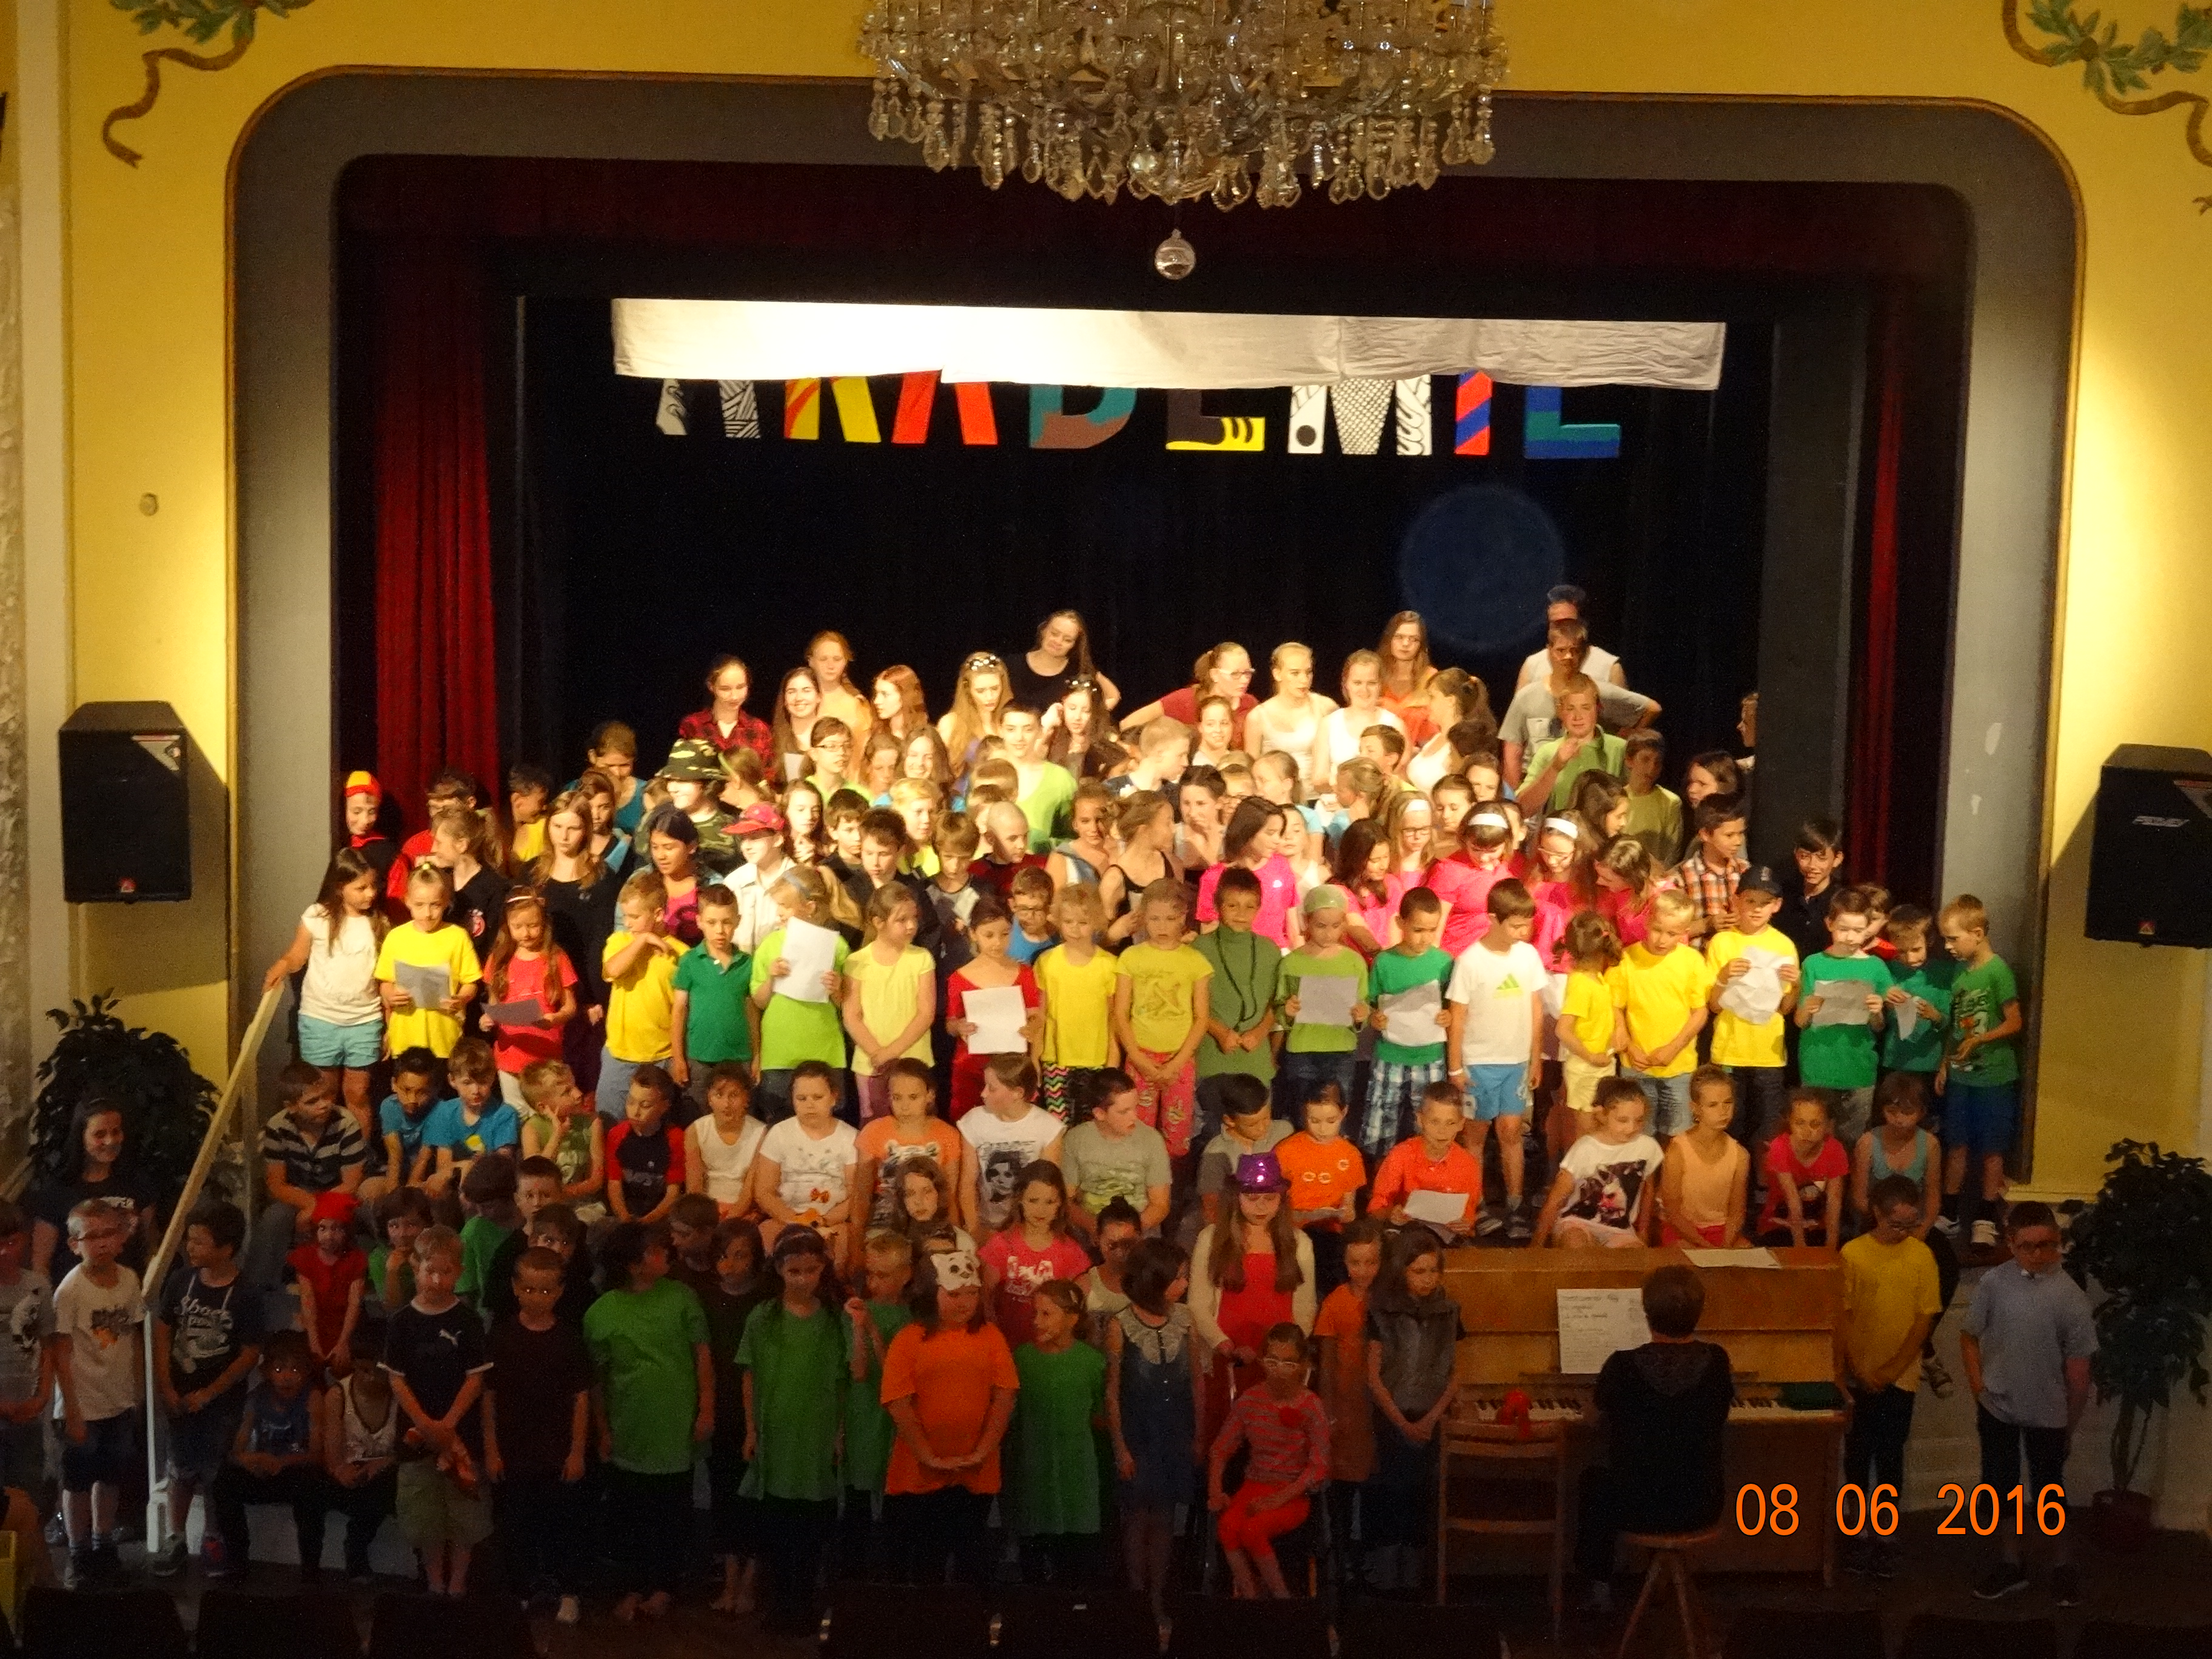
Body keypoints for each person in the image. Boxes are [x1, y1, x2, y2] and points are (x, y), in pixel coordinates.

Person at [1571, 1265, 1734, 1610]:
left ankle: (1599, 1586)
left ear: (1646, 1313)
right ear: (1699, 1312)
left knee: (1593, 1481)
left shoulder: (1622, 1365)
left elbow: (1592, 1420)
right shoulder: (1718, 1362)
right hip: (1700, 1505)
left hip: (1637, 1507)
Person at [1960, 1202, 2093, 1606]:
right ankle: (2011, 1563)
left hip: (2048, 1412)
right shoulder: (1994, 1283)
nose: (2039, 1255)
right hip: (1998, 1405)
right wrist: (1979, 1388)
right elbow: (1969, 1335)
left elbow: (2079, 1373)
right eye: (2028, 1246)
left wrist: (2068, 1425)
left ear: (2058, 1240)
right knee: (2002, 1489)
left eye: (2047, 1245)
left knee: (2050, 1490)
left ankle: (2062, 1565)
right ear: (2011, 1243)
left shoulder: (2070, 1297)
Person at [588, 1220, 714, 1622]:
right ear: (633, 1264)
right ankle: (632, 1585)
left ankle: (664, 1586)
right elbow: (597, 1380)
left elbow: (702, 1356)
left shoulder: (681, 1298)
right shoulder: (602, 1312)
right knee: (630, 1512)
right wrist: (603, 1429)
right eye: (655, 1251)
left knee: (672, 1510)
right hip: (630, 1425)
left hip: (675, 1423)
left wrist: (706, 1409)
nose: (666, 1254)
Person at [880, 1247, 1021, 1586]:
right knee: (924, 1559)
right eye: (955, 1295)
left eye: (972, 1294)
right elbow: (898, 1403)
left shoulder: (990, 1336)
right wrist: (927, 1456)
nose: (965, 1303)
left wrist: (982, 1452)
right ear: (932, 1294)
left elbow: (1005, 1396)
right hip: (920, 1473)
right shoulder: (909, 1339)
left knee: (970, 1558)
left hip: (975, 1471)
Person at [1839, 1174, 1943, 1579]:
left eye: (1911, 1224)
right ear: (1877, 1214)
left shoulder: (1922, 1256)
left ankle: (1886, 1535)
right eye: (1897, 1224)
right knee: (1856, 1455)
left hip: (1900, 1377)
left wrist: (1891, 1369)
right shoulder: (1853, 1254)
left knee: (1890, 1456)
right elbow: (1844, 1316)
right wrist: (1859, 1368)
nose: (1905, 1232)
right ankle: (1855, 1531)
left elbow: (1923, 1321)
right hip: (1858, 1374)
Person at [1105, 1238, 1208, 1632]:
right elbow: (1112, 1393)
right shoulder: (1121, 1324)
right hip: (1139, 1433)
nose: (1185, 1283)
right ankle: (1136, 1595)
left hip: (1174, 1432)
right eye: (1178, 1277)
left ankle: (1158, 1597)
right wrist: (1120, 1448)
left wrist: (1199, 1434)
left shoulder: (1185, 1320)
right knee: (1136, 1517)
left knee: (1165, 1516)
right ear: (1155, 1279)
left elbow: (1196, 1381)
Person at [383, 1224, 491, 1597]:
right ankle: (435, 1582)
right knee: (424, 1513)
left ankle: (457, 1583)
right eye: (430, 1271)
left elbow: (475, 1379)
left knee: (464, 1513)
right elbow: (397, 1380)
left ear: (459, 1272)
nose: (437, 1280)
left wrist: (448, 1425)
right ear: (417, 1268)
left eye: (446, 1272)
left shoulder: (468, 1321)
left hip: (462, 1433)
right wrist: (426, 1425)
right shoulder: (401, 1322)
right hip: (416, 1435)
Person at [1360, 1227, 1462, 1592]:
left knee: (1422, 1493)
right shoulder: (1382, 1311)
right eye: (1419, 1271)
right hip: (1392, 1416)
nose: (1427, 1279)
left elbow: (1456, 1372)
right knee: (1391, 1491)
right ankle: (1387, 1572)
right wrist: (1402, 1422)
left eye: (1433, 1271)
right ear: (1402, 1271)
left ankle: (1415, 1574)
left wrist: (1431, 1418)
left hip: (1430, 1416)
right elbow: (1373, 1376)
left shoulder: (1449, 1311)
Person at [1445, 879, 1546, 1239]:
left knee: (1512, 1132)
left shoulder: (1528, 956)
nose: (1523, 932)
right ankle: (1476, 1206)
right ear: (1493, 919)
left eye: (1527, 925)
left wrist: (1535, 1058)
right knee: (1475, 1136)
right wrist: (1456, 1066)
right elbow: (1457, 1017)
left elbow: (1536, 1010)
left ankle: (1516, 1206)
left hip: (1516, 1063)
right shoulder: (1470, 961)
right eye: (1515, 925)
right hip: (1479, 1063)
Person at [1190, 1154, 1316, 1427]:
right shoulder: (1211, 1239)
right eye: (1252, 1198)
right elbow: (1198, 1303)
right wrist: (1223, 1344)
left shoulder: (1299, 1243)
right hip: (1228, 1357)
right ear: (1236, 1198)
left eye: (1270, 1199)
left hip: (1277, 1360)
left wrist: (1282, 1355)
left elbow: (1305, 1308)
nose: (1262, 1206)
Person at [1207, 1322, 1331, 1599]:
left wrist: (1279, 1498)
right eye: (1273, 1361)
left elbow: (1318, 1466)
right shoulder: (1251, 1400)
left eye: (1288, 1363)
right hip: (1255, 1485)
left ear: (1302, 1365)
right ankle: (1250, 1596)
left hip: (1293, 1492)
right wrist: (1216, 1490)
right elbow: (1220, 1450)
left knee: (1253, 1530)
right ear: (1263, 1361)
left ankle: (1281, 1599)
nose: (1279, 1370)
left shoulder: (1311, 1406)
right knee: (1227, 1528)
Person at [263, 846, 387, 1122]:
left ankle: (358, 1148)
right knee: (323, 1095)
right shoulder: (318, 916)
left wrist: (389, 1022)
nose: (371, 893)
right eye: (361, 888)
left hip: (364, 1020)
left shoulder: (379, 922)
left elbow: (385, 975)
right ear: (340, 887)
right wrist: (282, 965)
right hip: (321, 1019)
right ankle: (325, 1146)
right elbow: (297, 955)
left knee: (358, 1094)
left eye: (373, 886)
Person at [54, 1201, 142, 1586]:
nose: (102, 1243)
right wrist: (71, 1409)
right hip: (83, 1404)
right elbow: (61, 1351)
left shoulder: (130, 1280)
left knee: (110, 1477)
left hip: (118, 1400)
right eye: (92, 1237)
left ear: (122, 1237)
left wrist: (136, 1389)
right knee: (77, 1481)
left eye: (110, 1233)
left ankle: (103, 1544)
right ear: (75, 1245)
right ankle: (78, 1552)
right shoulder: (71, 1290)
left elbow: (133, 1335)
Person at [1938, 894, 2025, 1250]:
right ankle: (1950, 1212)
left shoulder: (1998, 971)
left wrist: (1979, 1040)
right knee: (1956, 1145)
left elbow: (2014, 1022)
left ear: (1977, 933)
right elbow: (1955, 1023)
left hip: (1993, 1078)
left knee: (1992, 1149)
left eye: (1953, 939)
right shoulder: (1960, 973)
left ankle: (1986, 1217)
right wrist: (1945, 1063)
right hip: (1962, 1075)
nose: (1948, 946)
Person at [1008, 1277, 1108, 1584]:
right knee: (1034, 1560)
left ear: (1072, 1319)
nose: (1037, 1321)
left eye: (1047, 1314)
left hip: (1076, 1473)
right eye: (1035, 1313)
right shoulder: (1022, 1359)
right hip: (1034, 1473)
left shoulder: (1092, 1362)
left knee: (1075, 1564)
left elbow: (1100, 1417)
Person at [250, 1062, 366, 1320]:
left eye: (326, 1096)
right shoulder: (277, 1127)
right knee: (274, 1217)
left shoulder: (346, 1123)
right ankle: (255, 1295)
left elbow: (352, 1182)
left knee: (362, 1208)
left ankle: (362, 1284)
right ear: (291, 1107)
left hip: (339, 1189)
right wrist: (310, 1206)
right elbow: (276, 1184)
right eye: (313, 1101)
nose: (324, 1104)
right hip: (300, 1191)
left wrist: (320, 1209)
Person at [1707, 865, 1801, 1173]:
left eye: (1765, 902)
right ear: (1736, 901)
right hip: (1729, 1050)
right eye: (1750, 901)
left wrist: (1797, 986)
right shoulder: (1721, 942)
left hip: (1768, 1053)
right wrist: (1723, 977)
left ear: (1777, 905)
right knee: (1729, 1125)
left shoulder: (1784, 945)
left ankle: (1763, 1187)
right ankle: (1729, 1182)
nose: (1757, 909)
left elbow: (1785, 1008)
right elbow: (1713, 1005)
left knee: (1769, 1128)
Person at [207, 1330, 325, 1578]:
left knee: (312, 1484)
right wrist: (251, 1460)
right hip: (262, 1470)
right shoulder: (256, 1398)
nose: (287, 1377)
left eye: (295, 1370)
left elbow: (316, 1454)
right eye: (279, 1370)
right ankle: (237, 1562)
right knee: (225, 1481)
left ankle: (310, 1568)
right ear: (267, 1371)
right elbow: (238, 1449)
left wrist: (283, 1462)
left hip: (294, 1471)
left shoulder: (312, 1398)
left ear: (306, 1371)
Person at [1111, 880, 1213, 1160]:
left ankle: (1169, 1182)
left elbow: (1202, 1017)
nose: (1162, 926)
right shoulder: (1131, 957)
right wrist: (1137, 1058)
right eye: (1154, 919)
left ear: (1183, 918)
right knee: (1136, 1127)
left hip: (1179, 1059)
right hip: (1140, 1056)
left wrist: (1177, 1063)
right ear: (1143, 917)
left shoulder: (1195, 961)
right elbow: (1120, 1013)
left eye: (1170, 918)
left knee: (1177, 1132)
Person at [748, 865, 857, 1123]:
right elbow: (759, 1001)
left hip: (824, 1053)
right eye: (778, 906)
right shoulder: (770, 945)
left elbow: (846, 1005)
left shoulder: (837, 946)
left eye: (785, 906)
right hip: (780, 1055)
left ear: (809, 907)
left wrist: (836, 989)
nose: (779, 913)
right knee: (780, 1124)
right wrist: (771, 979)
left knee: (827, 1124)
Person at [1498, 617, 1657, 788]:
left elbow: (1651, 708)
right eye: (1561, 650)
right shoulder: (1526, 696)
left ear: (1583, 654)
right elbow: (1512, 749)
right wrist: (1513, 795)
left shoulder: (1597, 691)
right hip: (1536, 781)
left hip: (1586, 784)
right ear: (1549, 651)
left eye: (1574, 651)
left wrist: (1623, 736)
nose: (1568, 657)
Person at [838, 1231, 914, 1585]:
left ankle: (891, 1580)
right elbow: (857, 1372)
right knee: (857, 1499)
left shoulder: (908, 1320)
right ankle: (853, 1582)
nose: (875, 1283)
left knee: (892, 1498)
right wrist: (859, 1328)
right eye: (871, 1274)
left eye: (884, 1275)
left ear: (905, 1275)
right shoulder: (856, 1314)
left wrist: (870, 1328)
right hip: (860, 1415)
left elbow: (894, 1376)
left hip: (891, 1420)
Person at [1360, 888, 1454, 1165]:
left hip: (1430, 1055)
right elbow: (1371, 1003)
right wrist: (1374, 1018)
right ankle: (1382, 1179)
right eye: (1418, 930)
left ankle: (1422, 1177)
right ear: (1400, 923)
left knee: (1429, 1123)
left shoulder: (1444, 963)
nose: (1425, 938)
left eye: (1432, 930)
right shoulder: (1385, 962)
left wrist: (1448, 1016)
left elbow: (1454, 1006)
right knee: (1381, 1122)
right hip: (1390, 1054)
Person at [1795, 885, 1892, 1145]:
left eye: (1858, 931)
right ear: (1830, 924)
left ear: (1868, 929)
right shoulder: (1814, 963)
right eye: (1843, 929)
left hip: (1858, 1068)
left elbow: (1879, 1026)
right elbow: (1800, 1021)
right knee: (1814, 1140)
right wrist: (1808, 1007)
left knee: (1852, 1142)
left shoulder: (1875, 967)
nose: (1850, 937)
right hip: (1819, 1067)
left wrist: (1876, 1012)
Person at [1193, 865, 1282, 1142]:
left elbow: (1276, 1002)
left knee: (1255, 1134)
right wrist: (1219, 1032)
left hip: (1254, 1057)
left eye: (1249, 906)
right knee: (1210, 1133)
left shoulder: (1269, 950)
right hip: (1213, 1056)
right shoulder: (1200, 948)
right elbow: (1190, 1003)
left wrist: (1260, 1032)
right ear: (1218, 905)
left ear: (1259, 908)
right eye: (1232, 905)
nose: (1241, 913)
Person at [30, 1095, 158, 1283]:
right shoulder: (58, 1190)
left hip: (127, 1289)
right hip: (75, 1294)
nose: (110, 1141)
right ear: (81, 1137)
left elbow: (151, 1247)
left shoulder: (138, 1182)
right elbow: (41, 1263)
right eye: (99, 1134)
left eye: (116, 1132)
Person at [1617, 890, 1712, 1139]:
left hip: (1679, 1067)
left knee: (1679, 1136)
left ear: (1685, 932)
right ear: (1648, 921)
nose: (1662, 939)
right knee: (1637, 1135)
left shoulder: (1692, 961)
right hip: (1636, 1065)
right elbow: (1616, 1008)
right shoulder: (1627, 959)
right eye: (1657, 930)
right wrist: (1629, 1047)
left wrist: (1674, 1048)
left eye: (1672, 934)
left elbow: (1699, 1012)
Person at [842, 883, 936, 1122]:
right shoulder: (857, 961)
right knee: (875, 1127)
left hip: (914, 1062)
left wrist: (890, 1053)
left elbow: (926, 1013)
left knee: (916, 1126)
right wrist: (877, 1053)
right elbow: (852, 1015)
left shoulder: (922, 958)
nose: (911, 925)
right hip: (870, 1065)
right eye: (902, 920)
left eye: (914, 918)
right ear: (878, 922)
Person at [1276, 886, 1369, 1125]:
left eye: (1336, 926)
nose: (1329, 934)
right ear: (1307, 922)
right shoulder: (1292, 963)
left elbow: (1363, 1003)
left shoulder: (1354, 962)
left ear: (1344, 923)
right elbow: (1280, 1005)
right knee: (1303, 1113)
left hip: (1340, 1048)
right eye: (1321, 926)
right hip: (1303, 1049)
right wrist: (1287, 1011)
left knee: (1336, 1112)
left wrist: (1361, 1015)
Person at [752, 1061, 860, 1265]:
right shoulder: (779, 1134)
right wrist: (795, 1220)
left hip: (832, 1221)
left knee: (846, 1241)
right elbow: (764, 1191)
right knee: (765, 1234)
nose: (810, 1104)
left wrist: (824, 1221)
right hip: (786, 1218)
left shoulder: (851, 1138)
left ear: (834, 1097)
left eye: (818, 1097)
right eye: (802, 1098)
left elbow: (855, 1195)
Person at [1533, 1077, 1662, 1248]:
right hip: (1577, 1223)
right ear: (1602, 1115)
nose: (1631, 1128)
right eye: (1622, 1120)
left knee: (1635, 1256)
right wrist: (1536, 1245)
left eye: (1639, 1120)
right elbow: (1556, 1199)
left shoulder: (1648, 1147)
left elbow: (1648, 1190)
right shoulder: (1585, 1148)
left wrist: (1643, 1231)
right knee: (1576, 1244)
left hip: (1619, 1229)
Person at [480, 890, 577, 1110]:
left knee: (547, 1113)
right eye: (518, 927)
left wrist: (554, 1019)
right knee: (517, 1113)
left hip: (546, 1059)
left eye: (533, 926)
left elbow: (570, 1006)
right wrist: (487, 1019)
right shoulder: (499, 959)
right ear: (507, 926)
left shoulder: (556, 958)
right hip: (510, 1056)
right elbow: (494, 1004)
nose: (526, 933)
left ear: (544, 923)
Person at [599, 870, 683, 1122]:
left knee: (660, 1124)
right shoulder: (619, 941)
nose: (628, 923)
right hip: (620, 1054)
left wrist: (678, 1057)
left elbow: (682, 1010)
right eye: (625, 916)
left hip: (662, 1057)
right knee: (609, 1122)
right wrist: (644, 939)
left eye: (635, 917)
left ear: (658, 914)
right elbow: (613, 970)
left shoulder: (680, 954)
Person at [980, 1162, 1093, 1349]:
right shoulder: (1001, 1245)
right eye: (1033, 1201)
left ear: (1060, 1203)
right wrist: (994, 1339)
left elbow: (1077, 1307)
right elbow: (986, 1299)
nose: (1041, 1210)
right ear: (1020, 1199)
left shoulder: (1071, 1251)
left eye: (1049, 1202)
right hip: (1007, 1346)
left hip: (1048, 1350)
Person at [322, 1325, 400, 1585]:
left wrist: (382, 1464)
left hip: (385, 1476)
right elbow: (332, 1452)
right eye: (364, 1371)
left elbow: (408, 1448)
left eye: (379, 1372)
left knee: (388, 1485)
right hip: (347, 1477)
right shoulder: (338, 1395)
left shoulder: (401, 1395)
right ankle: (353, 1556)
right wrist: (340, 1470)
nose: (371, 1379)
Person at [1035, 885, 1122, 1121]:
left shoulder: (1110, 965)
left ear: (1096, 921)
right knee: (1058, 1125)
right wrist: (1035, 1058)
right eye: (1068, 921)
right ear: (1059, 921)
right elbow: (1041, 1015)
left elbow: (1114, 1018)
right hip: (1056, 1059)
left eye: (1083, 922)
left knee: (1091, 1125)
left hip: (1096, 1059)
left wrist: (1112, 1061)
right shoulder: (1047, 962)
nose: (1075, 928)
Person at [1060, 1067, 1173, 1241]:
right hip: (1091, 1235)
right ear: (1100, 1114)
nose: (1134, 1117)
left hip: (1139, 1235)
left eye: (1135, 1108)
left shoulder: (1151, 1140)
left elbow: (1160, 1204)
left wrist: (1127, 1234)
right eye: (1124, 1112)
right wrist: (1095, 1228)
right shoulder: (1076, 1139)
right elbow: (1066, 1199)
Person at [671, 885, 759, 1109]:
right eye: (712, 923)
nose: (720, 930)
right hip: (700, 1057)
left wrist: (757, 1055)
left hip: (739, 1058)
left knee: (738, 1113)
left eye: (726, 922)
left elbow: (751, 1012)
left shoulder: (747, 963)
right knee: (700, 1114)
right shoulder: (690, 961)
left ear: (738, 921)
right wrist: (678, 1057)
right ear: (699, 921)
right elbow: (679, 1009)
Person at [1366, 1083, 1483, 1242]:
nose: (1442, 1131)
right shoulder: (1401, 1155)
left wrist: (1464, 1224)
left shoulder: (1467, 1163)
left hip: (1447, 1238)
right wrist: (1391, 1213)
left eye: (1451, 1123)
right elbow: (1377, 1207)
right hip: (1404, 1234)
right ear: (1420, 1120)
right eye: (1435, 1122)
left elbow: (1469, 1212)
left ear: (1461, 1124)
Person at [1658, 1068, 1749, 1248]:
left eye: (1728, 1103)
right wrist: (1706, 1247)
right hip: (1683, 1231)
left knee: (1746, 1251)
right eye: (1713, 1105)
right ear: (1695, 1108)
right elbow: (1673, 1212)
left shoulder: (1740, 1155)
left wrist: (1725, 1245)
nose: (1723, 1111)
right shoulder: (1678, 1151)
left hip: (1720, 1230)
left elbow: (1737, 1211)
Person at [0, 1201, 52, 1515]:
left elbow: (48, 1345)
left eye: (11, 1242)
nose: (4, 1252)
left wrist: (42, 1396)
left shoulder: (38, 1286)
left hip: (28, 1411)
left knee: (29, 1495)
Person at [1121, 642, 1258, 750]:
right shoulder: (1186, 699)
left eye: (1248, 673)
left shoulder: (1250, 704)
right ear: (1215, 675)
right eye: (1235, 674)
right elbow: (1128, 724)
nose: (1245, 680)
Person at [289, 1190, 368, 1375]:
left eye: (337, 1229)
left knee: (343, 1365)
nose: (329, 1236)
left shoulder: (356, 1259)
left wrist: (343, 1342)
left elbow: (354, 1302)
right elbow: (308, 1300)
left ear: (347, 1231)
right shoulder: (306, 1257)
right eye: (323, 1228)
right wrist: (314, 1342)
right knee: (309, 1364)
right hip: (315, 1324)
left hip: (345, 1325)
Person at [1758, 1091, 1848, 1249]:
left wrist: (1831, 1247)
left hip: (1817, 1226)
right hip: (1781, 1225)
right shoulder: (1780, 1148)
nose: (1807, 1131)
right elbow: (1793, 1201)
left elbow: (1834, 1202)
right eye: (1800, 1123)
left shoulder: (1835, 1150)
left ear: (1828, 1125)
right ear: (1790, 1122)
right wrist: (1801, 1248)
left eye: (1815, 1124)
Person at [1247, 643, 1338, 796]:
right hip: (1277, 800)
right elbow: (1253, 772)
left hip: (1320, 799)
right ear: (1277, 674)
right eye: (1295, 673)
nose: (1304, 680)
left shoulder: (1326, 707)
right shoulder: (1258, 717)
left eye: (1308, 672)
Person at [607, 1064, 685, 1227]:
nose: (635, 1112)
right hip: (626, 1215)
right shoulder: (617, 1134)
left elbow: (673, 1192)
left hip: (660, 1218)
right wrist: (624, 1218)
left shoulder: (675, 1138)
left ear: (664, 1106)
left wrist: (647, 1221)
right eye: (631, 1102)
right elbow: (614, 1184)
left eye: (645, 1105)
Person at [688, 1064, 767, 1220]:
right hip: (707, 1210)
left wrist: (731, 1218)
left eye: (734, 1095)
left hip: (745, 1209)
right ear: (709, 1098)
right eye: (719, 1095)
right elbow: (694, 1187)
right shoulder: (696, 1130)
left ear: (746, 1098)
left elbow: (750, 1189)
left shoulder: (761, 1132)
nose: (726, 1104)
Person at [1010, 608, 1122, 718]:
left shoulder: (1079, 670)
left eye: (1067, 640)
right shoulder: (1011, 665)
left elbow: (1113, 696)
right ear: (1043, 630)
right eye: (1054, 634)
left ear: (1074, 644)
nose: (1058, 641)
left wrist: (1086, 718)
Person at [1515, 585, 1629, 690]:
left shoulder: (1609, 667)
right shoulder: (1532, 665)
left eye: (1568, 622)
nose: (1562, 629)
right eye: (1556, 623)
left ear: (1582, 623)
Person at [679, 654, 777, 769]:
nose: (734, 696)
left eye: (740, 687)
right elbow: (682, 770)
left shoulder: (759, 730)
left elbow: (768, 775)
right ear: (711, 686)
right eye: (725, 689)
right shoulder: (693, 725)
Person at [1675, 794, 1750, 942]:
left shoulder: (1746, 871)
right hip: (1699, 954)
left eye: (1741, 833)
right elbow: (1669, 930)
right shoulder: (1681, 877)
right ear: (1705, 835)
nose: (1738, 841)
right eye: (1729, 835)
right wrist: (1706, 924)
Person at [1619, 731, 1684, 866]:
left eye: (1657, 762)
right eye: (1645, 760)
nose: (1652, 768)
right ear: (1629, 760)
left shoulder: (1670, 802)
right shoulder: (1616, 797)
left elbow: (1672, 850)